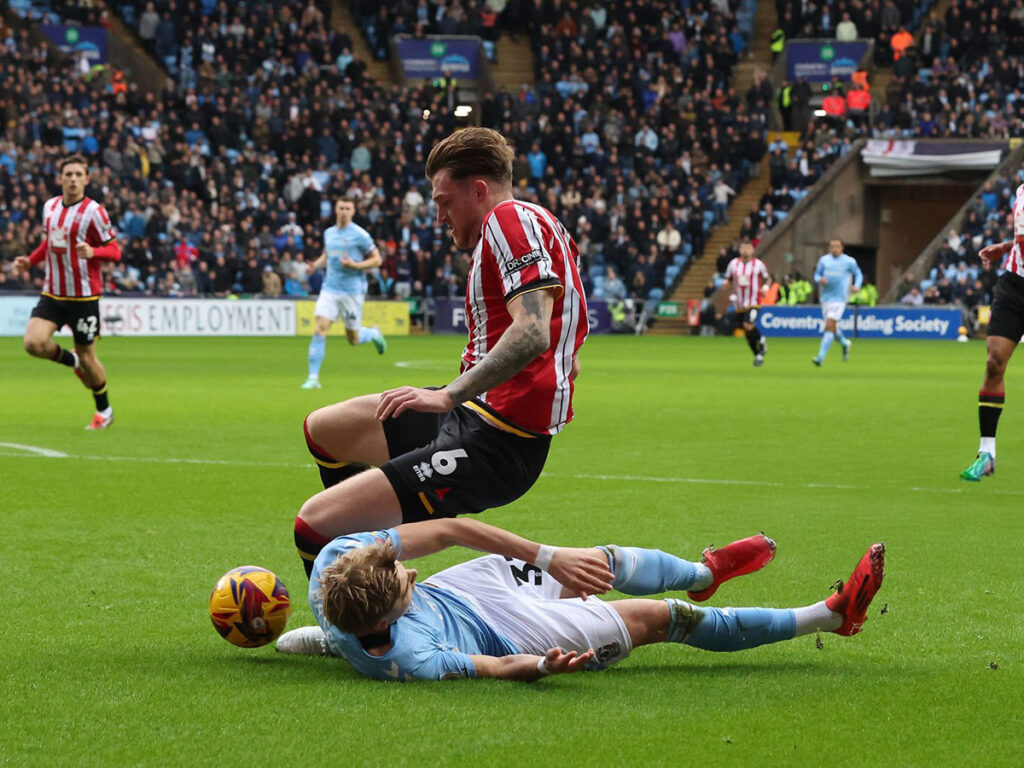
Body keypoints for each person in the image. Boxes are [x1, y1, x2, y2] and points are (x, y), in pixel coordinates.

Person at [293, 127, 589, 578]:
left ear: (479, 190)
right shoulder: (534, 226)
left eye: (444, 202)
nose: (439, 217)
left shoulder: (508, 220)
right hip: (475, 415)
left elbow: (532, 332)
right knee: (324, 430)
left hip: (496, 441)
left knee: (313, 525)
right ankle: (369, 571)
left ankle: (354, 629)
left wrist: (448, 395)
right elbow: (564, 335)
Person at [275, 517, 886, 682]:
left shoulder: (336, 562)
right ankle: (829, 617)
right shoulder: (409, 656)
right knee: (660, 618)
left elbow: (454, 529)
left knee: (595, 562)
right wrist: (542, 665)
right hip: (511, 634)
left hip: (467, 590)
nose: (409, 572)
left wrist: (548, 556)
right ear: (384, 622)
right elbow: (493, 666)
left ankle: (703, 570)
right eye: (403, 584)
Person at [14, 154, 121, 429]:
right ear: (60, 178)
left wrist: (94, 251)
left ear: (86, 179)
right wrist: (30, 260)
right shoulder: (49, 207)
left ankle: (104, 410)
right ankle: (72, 360)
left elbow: (115, 250)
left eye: (78, 174)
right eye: (68, 174)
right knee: (33, 343)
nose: (73, 179)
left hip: (83, 298)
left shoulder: (95, 212)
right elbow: (50, 242)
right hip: (52, 293)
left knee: (90, 358)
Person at [960, 186, 1024, 481]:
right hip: (1014, 286)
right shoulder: (1022, 191)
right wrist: (1007, 246)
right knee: (994, 361)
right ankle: (987, 453)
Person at [301, 197, 386, 389]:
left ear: (353, 211)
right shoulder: (329, 233)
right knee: (320, 328)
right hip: (330, 289)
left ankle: (373, 333)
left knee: (353, 339)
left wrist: (356, 265)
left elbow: (377, 260)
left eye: (348, 208)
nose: (344, 211)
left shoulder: (360, 235)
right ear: (335, 209)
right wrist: (314, 266)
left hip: (352, 292)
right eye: (341, 208)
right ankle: (313, 378)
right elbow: (327, 255)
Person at [812, 239, 863, 366]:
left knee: (829, 325)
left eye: (837, 246)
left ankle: (820, 357)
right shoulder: (824, 260)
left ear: (842, 248)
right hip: (825, 298)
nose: (834, 249)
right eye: (832, 246)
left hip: (840, 299)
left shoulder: (849, 261)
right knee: (832, 327)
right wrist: (820, 279)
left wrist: (857, 285)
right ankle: (845, 343)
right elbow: (816, 275)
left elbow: (858, 273)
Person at [722, 241, 770, 366]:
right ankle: (758, 355)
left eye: (748, 248)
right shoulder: (733, 264)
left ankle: (761, 339)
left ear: (752, 250)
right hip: (739, 303)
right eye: (743, 247)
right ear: (739, 250)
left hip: (754, 301)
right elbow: (728, 277)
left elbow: (768, 278)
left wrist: (765, 288)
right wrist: (726, 283)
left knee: (748, 325)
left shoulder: (758, 264)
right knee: (747, 332)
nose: (745, 250)